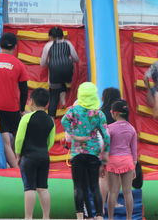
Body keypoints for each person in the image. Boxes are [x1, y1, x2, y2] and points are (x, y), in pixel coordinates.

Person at [61, 82, 110, 219]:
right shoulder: (98, 114)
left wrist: (74, 134)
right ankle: (99, 216)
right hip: (93, 153)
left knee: (78, 187)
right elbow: (106, 135)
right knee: (94, 186)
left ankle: (80, 216)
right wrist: (105, 152)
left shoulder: (73, 111)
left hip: (77, 153)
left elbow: (64, 121)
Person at [0, 32, 29, 168]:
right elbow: (24, 89)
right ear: (15, 47)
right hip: (11, 107)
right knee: (19, 135)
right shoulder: (18, 64)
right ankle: (18, 164)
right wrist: (21, 108)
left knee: (3, 138)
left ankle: (12, 165)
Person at [15, 88, 55, 219]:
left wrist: (18, 153)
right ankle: (46, 216)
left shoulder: (27, 118)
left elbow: (19, 138)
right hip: (44, 156)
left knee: (29, 188)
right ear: (47, 104)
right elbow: (51, 141)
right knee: (43, 187)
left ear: (31, 101)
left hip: (29, 157)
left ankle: (28, 217)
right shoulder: (50, 120)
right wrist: (43, 150)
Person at [107, 100, 137, 220]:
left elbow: (106, 147)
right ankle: (129, 218)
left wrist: (103, 163)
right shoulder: (132, 129)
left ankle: (110, 218)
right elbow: (134, 151)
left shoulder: (109, 128)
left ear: (114, 113)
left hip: (113, 160)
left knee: (112, 192)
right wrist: (134, 166)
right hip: (127, 161)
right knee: (128, 192)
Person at [40, 27, 79, 118]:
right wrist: (67, 59)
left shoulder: (48, 45)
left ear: (51, 37)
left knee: (54, 94)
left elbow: (43, 63)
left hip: (55, 73)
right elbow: (76, 58)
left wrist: (50, 62)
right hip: (68, 72)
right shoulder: (68, 43)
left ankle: (51, 118)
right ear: (62, 36)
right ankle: (63, 100)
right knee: (62, 81)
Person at [99, 87, 121, 211]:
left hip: (102, 146)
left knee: (103, 177)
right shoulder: (119, 112)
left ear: (104, 98)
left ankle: (101, 205)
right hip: (117, 148)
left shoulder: (100, 112)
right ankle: (115, 202)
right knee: (116, 176)